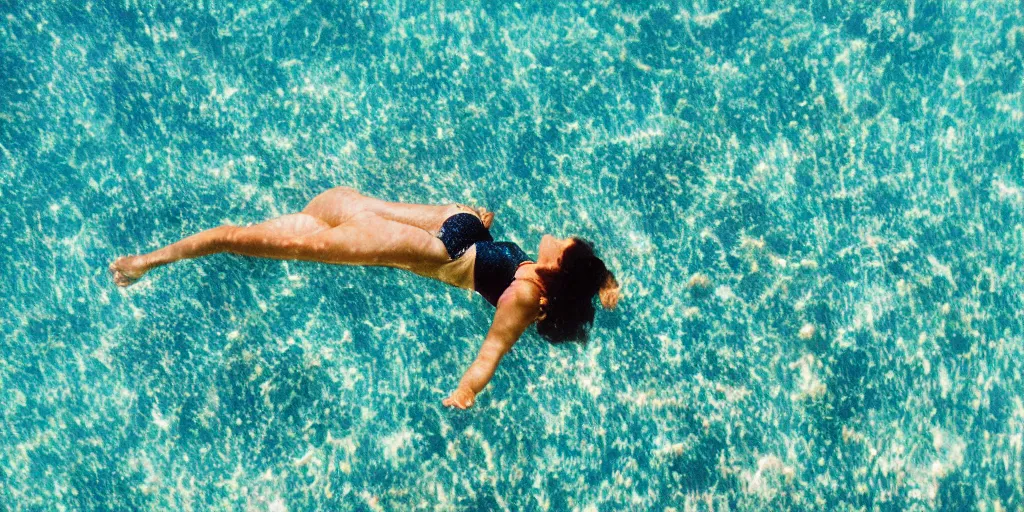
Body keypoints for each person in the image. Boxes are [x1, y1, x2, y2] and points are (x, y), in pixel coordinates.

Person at [109, 186, 620, 409]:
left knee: (242, 238)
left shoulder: (525, 298)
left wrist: (468, 390)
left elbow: (492, 350)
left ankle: (147, 262)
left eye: (567, 244)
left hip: (408, 241)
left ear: (557, 269)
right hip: (418, 226)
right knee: (297, 223)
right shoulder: (543, 271)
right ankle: (155, 259)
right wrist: (605, 283)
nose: (560, 235)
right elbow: (581, 271)